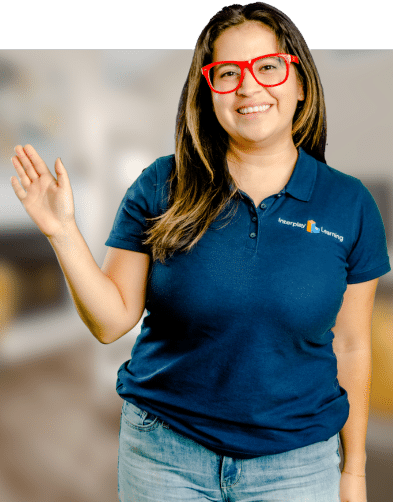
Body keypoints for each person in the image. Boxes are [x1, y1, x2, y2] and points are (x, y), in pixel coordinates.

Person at [10, 2, 391, 502]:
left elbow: (353, 346)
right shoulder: (160, 185)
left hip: (297, 466)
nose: (249, 87)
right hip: (165, 457)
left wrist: (354, 472)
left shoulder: (350, 204)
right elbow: (110, 322)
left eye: (268, 67)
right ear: (208, 92)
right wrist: (62, 230)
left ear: (300, 82)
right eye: (227, 73)